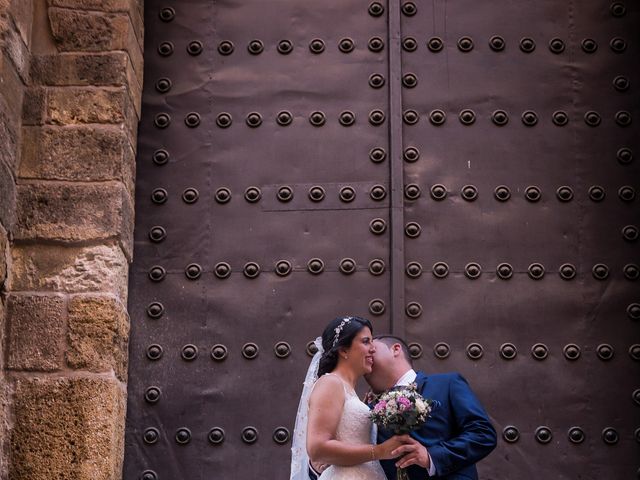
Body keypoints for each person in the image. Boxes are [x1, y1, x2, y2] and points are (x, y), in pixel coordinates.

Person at [290, 316, 407, 480]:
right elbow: (317, 447)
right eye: (366, 342)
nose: (373, 348)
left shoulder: (350, 392)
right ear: (344, 350)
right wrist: (379, 451)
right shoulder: (330, 383)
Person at [364, 335, 497, 480]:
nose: (366, 356)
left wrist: (432, 457)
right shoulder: (368, 409)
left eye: (372, 350)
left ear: (395, 349)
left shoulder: (447, 384)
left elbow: (483, 434)